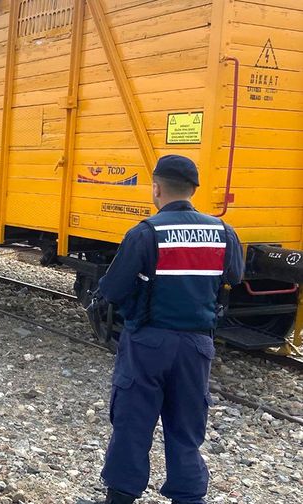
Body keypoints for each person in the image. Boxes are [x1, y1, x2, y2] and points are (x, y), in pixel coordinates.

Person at [88, 155, 244, 504]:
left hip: (148, 343)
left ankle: (122, 496)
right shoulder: (223, 232)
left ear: (156, 188)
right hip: (197, 345)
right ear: (193, 190)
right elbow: (234, 276)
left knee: (133, 422)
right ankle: (188, 497)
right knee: (187, 427)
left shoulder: (146, 232)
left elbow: (112, 290)